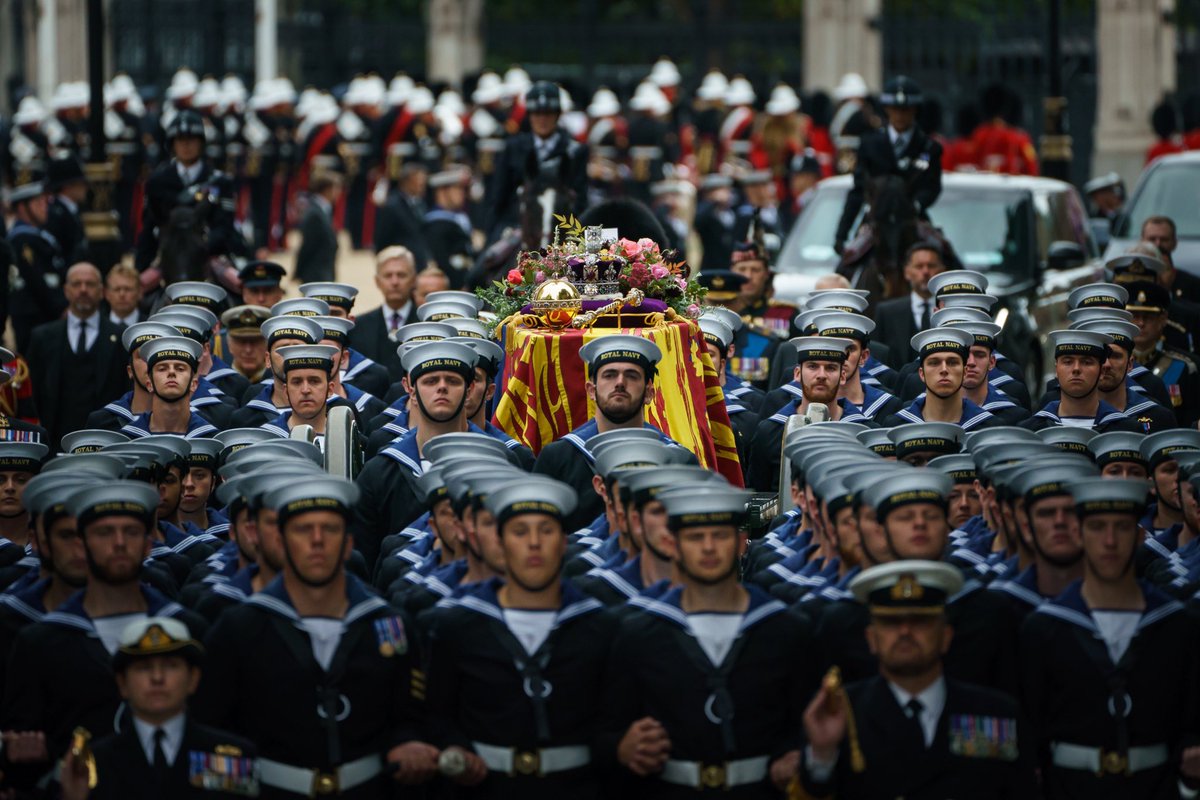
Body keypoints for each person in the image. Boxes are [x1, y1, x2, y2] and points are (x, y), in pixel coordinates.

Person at [195, 477, 437, 797]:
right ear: (280, 541)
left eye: (331, 529)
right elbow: (208, 732)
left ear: (349, 543)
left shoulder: (387, 623)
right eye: (303, 529)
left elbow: (414, 715)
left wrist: (408, 742)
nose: (318, 540)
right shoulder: (240, 628)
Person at [598, 481, 818, 796]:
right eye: (695, 537)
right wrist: (621, 747)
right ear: (672, 544)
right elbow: (604, 729)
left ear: (742, 541)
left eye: (720, 535)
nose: (709, 547)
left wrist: (798, 754)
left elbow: (806, 724)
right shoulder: (639, 634)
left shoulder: (785, 629)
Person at [424, 478, 615, 797]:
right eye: (520, 532)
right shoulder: (457, 625)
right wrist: (455, 749)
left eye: (546, 530)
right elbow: (435, 715)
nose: (535, 543)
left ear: (564, 542)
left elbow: (613, 720)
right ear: (498, 542)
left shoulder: (599, 626)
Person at [1, 481, 207, 770]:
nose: (119, 543)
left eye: (132, 532)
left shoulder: (187, 629)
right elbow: (21, 749)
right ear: (82, 544)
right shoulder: (39, 642)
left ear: (149, 544)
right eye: (104, 532)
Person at [1019, 478, 1200, 799]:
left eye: (1122, 527)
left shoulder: (1175, 624)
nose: (1110, 541)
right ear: (1078, 534)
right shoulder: (1044, 628)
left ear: (1140, 535)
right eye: (1097, 527)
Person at [800, 561, 1036, 798]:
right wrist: (822, 756)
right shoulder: (841, 714)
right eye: (891, 622)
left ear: (946, 636)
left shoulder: (996, 715)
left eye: (920, 621)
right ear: (871, 639)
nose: (905, 632)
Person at [58, 617, 259, 800]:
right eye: (143, 667)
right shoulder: (92, 764)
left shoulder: (232, 757)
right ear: (122, 684)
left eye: (171, 665)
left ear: (193, 679)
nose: (157, 678)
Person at [532, 335, 694, 532]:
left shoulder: (678, 461)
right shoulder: (557, 458)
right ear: (591, 390)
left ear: (649, 393)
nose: (620, 383)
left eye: (632, 375)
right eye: (609, 375)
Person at [28, 262, 130, 450]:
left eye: (90, 284)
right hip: (53, 445)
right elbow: (33, 394)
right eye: (76, 284)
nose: (83, 290)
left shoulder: (121, 338)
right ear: (66, 290)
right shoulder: (42, 338)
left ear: (101, 291)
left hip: (106, 445)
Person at [835, 76, 943, 253]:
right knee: (849, 264)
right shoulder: (869, 144)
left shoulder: (929, 147)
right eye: (895, 109)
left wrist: (916, 204)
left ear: (915, 110)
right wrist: (841, 234)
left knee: (944, 255)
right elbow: (858, 191)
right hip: (876, 220)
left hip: (913, 218)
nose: (900, 115)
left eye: (905, 109)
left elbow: (933, 187)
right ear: (886, 109)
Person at [134, 110, 247, 274]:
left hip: (211, 254)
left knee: (238, 287)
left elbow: (225, 226)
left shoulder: (220, 181)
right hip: (166, 255)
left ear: (201, 142)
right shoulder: (156, 182)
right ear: (172, 144)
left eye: (191, 139)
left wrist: (200, 246)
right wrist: (140, 267)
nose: (186, 145)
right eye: (180, 140)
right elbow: (149, 227)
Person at [746, 336, 854, 493]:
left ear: (843, 376)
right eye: (812, 366)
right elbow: (757, 494)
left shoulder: (861, 429)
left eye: (830, 368)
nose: (821, 375)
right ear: (797, 374)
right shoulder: (770, 431)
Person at [1023, 330, 1144, 433]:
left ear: (1101, 370)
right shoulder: (1030, 431)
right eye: (1067, 362)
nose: (1076, 369)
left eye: (1086, 362)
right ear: (1056, 369)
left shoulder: (1127, 429)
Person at [880, 328, 998, 430]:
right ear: (921, 373)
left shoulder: (988, 426)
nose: (944, 369)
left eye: (952, 362)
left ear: (965, 372)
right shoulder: (897, 426)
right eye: (934, 363)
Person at [7, 178, 66, 354]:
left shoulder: (40, 236)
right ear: (22, 207)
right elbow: (36, 280)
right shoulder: (21, 239)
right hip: (35, 317)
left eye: (45, 201)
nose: (44, 206)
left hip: (48, 315)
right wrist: (61, 307)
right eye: (38, 202)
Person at [121, 336, 217, 439]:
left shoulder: (210, 439)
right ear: (149, 384)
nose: (171, 372)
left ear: (193, 384)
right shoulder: (127, 439)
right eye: (162, 369)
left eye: (180, 368)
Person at [346, 246, 419, 381]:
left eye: (401, 275)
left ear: (414, 279)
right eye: (388, 275)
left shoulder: (426, 324)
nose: (395, 282)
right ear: (377, 281)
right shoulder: (358, 327)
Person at [260, 344, 340, 443]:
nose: (305, 390)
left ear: (330, 389)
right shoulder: (267, 440)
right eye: (297, 382)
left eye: (314, 381)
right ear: (286, 391)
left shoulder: (349, 438)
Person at [294, 170, 341, 283]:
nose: (339, 192)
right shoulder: (314, 214)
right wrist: (298, 272)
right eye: (336, 188)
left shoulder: (323, 210)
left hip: (323, 273)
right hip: (316, 275)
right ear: (327, 190)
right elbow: (307, 246)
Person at [44, 153, 89, 265]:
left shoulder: (71, 210)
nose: (86, 187)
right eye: (81, 183)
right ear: (67, 186)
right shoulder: (56, 214)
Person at [218, 305, 270, 384]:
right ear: (229, 344)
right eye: (241, 342)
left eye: (255, 341)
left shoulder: (279, 384)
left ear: (267, 344)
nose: (248, 350)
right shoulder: (218, 384)